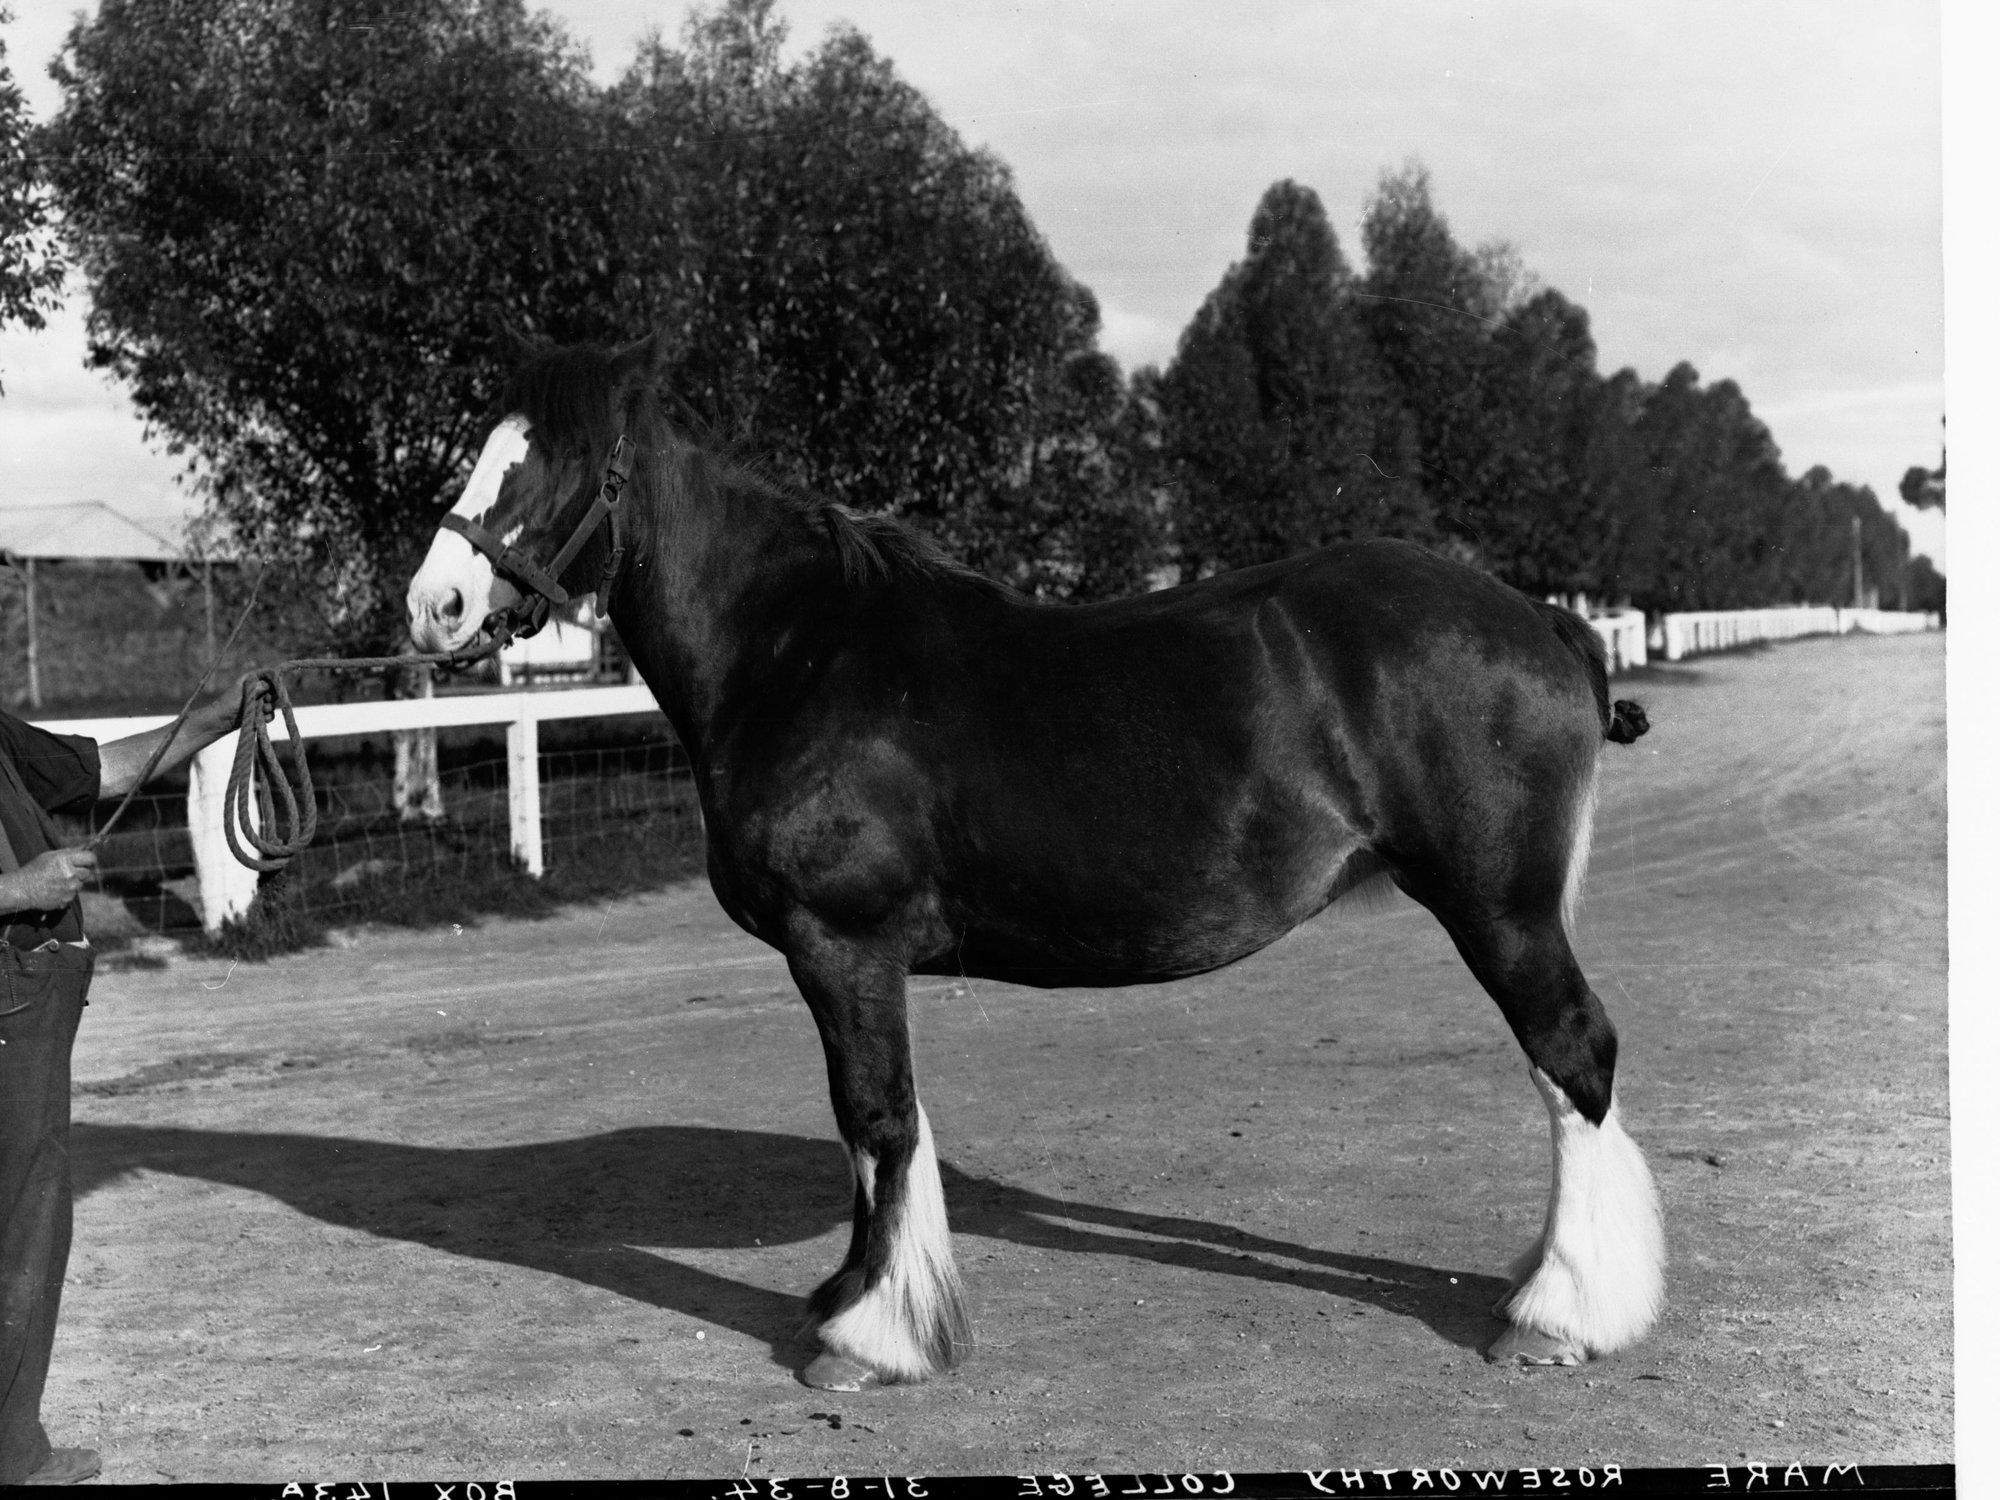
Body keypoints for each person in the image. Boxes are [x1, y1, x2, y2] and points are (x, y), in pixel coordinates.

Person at [0, 691, 243, 1486]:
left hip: (29, 993)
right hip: (9, 995)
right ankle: (11, 1456)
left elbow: (101, 770)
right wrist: (18, 891)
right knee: (23, 1219)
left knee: (30, 1218)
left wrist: (217, 716)